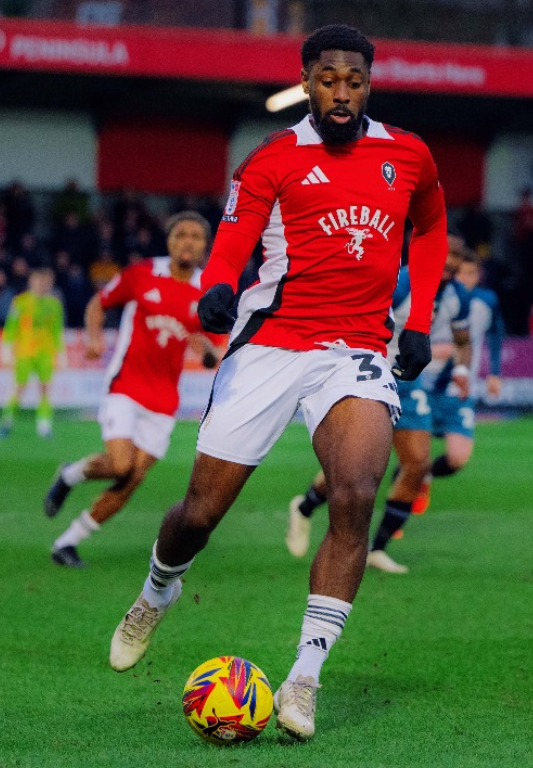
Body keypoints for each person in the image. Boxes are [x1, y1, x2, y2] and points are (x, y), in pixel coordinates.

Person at [106, 25, 448, 743]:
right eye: (328, 80)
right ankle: (155, 592)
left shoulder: (408, 154)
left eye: (354, 81)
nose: (342, 93)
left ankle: (304, 679)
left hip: (356, 348)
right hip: (271, 345)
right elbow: (233, 237)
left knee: (355, 495)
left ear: (368, 84)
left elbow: (431, 227)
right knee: (200, 514)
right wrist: (218, 286)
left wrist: (418, 320)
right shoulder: (273, 160)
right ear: (307, 80)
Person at [286, 234, 472, 572]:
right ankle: (304, 507)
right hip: (369, 372)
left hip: (409, 380)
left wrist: (460, 367)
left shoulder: (458, 296)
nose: (449, 261)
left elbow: (464, 339)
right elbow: (368, 318)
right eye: (445, 253)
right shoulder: (402, 282)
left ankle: (377, 548)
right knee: (357, 465)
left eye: (456, 256)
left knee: (417, 463)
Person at [43, 212, 220, 568]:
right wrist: (94, 338)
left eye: (196, 236)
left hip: (164, 401)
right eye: (181, 235)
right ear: (169, 242)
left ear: (205, 246)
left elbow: (217, 351)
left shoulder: (208, 291)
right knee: (120, 465)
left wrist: (207, 351)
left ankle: (67, 542)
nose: (188, 241)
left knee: (131, 479)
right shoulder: (141, 274)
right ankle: (70, 474)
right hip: (125, 386)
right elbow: (99, 303)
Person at [411, 252, 504, 515]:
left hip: (459, 389)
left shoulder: (487, 301)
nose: (467, 279)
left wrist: (495, 373)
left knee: (457, 458)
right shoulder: (435, 296)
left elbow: (496, 332)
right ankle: (394, 517)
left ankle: (424, 476)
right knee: (415, 454)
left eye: (472, 273)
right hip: (425, 385)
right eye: (462, 273)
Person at [0, 267, 66, 438]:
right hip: (24, 351)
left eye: (46, 282)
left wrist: (62, 352)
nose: (42, 285)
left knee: (45, 389)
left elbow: (57, 331)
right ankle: (7, 421)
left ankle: (44, 426)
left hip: (45, 353)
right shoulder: (20, 302)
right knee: (19, 388)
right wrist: (6, 348)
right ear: (31, 282)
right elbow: (11, 327)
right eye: (39, 281)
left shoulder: (55, 304)